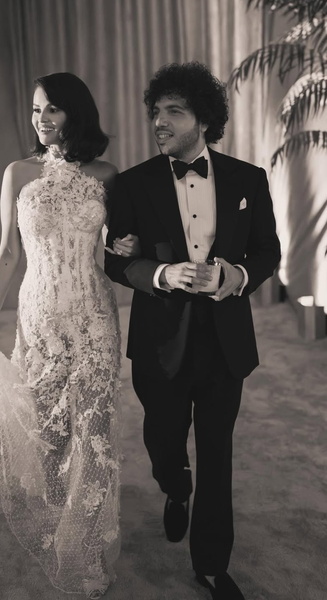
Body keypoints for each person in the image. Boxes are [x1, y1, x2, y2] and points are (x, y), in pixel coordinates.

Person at [105, 62, 281, 600]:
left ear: (203, 120)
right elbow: (117, 260)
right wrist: (161, 273)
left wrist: (236, 277)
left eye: (173, 112)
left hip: (226, 340)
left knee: (217, 452)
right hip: (159, 340)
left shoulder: (248, 179)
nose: (159, 122)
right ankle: (174, 484)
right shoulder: (133, 183)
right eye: (156, 111)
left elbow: (268, 251)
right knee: (163, 438)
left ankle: (210, 564)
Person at [0, 72, 137, 599]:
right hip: (40, 316)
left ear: (75, 113)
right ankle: (60, 522)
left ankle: (83, 549)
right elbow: (7, 252)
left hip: (93, 315)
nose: (41, 119)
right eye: (36, 109)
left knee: (93, 428)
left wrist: (127, 246)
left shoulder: (107, 174)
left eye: (53, 109)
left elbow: (116, 244)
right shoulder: (18, 173)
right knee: (50, 431)